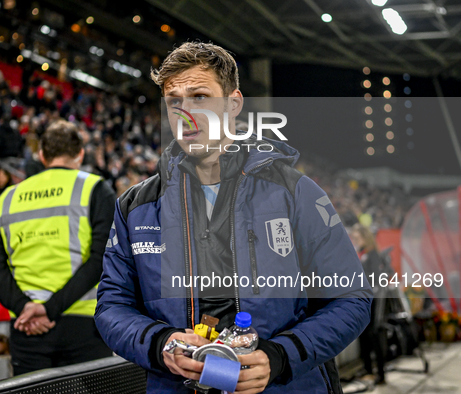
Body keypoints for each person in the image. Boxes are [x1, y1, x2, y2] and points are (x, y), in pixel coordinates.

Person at [94, 42, 372, 394]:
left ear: (234, 103)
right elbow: (111, 306)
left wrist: (280, 357)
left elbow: (351, 298)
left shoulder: (296, 192)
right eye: (173, 101)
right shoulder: (136, 206)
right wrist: (160, 343)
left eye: (199, 96)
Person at [0, 120, 116, 375]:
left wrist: (24, 308)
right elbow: (102, 259)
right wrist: (50, 309)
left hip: (27, 328)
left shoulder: (7, 198)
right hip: (83, 326)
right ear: (80, 154)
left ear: (42, 155)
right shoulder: (95, 188)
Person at [350, 223, 387, 385]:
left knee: (373, 335)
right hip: (363, 299)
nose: (356, 240)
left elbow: (376, 280)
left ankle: (381, 373)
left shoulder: (372, 255)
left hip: (372, 300)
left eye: (358, 237)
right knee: (363, 335)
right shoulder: (363, 253)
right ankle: (368, 369)